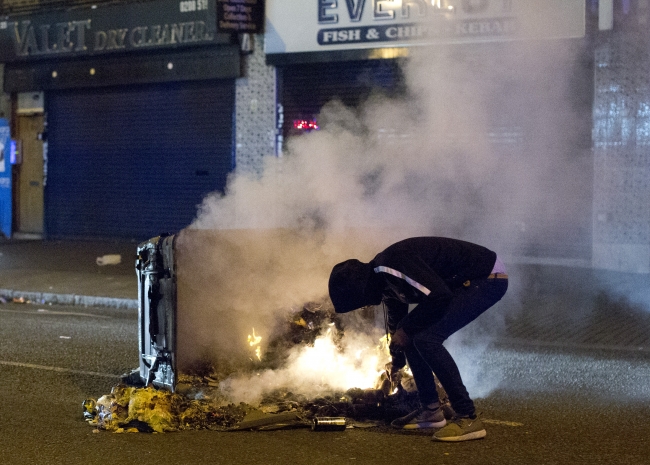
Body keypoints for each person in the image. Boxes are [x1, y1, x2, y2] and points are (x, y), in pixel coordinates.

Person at [328, 236, 508, 442]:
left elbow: (439, 296)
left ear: (360, 289)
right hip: (460, 283)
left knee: (426, 339)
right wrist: (397, 362)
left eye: (359, 302)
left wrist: (405, 332)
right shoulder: (384, 282)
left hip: (486, 277)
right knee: (412, 334)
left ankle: (467, 417)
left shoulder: (390, 267)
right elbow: (399, 327)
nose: (364, 306)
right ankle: (431, 412)